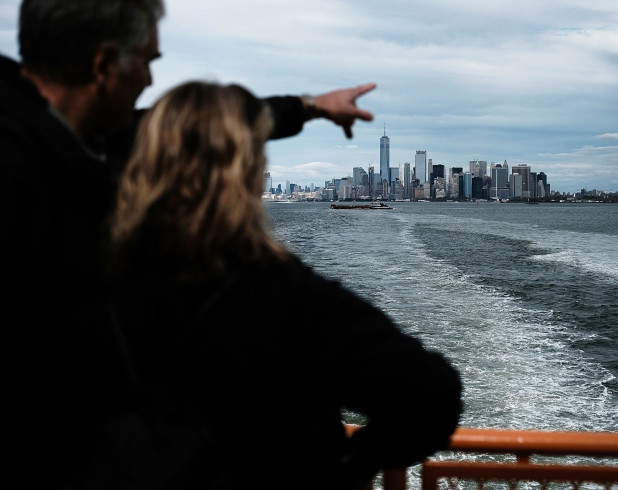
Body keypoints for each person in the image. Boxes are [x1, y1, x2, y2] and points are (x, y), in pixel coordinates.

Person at [0, 0, 375, 487]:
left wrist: (309, 106)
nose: (151, 80)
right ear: (103, 65)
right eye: (148, 61)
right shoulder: (18, 172)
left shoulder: (79, 138)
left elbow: (208, 123)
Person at [104, 80, 463, 488]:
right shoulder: (291, 300)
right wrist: (353, 464)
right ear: (254, 176)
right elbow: (433, 395)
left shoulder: (84, 281)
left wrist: (305, 107)